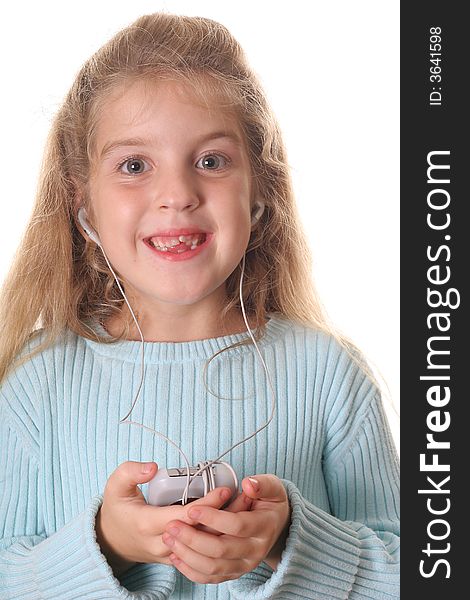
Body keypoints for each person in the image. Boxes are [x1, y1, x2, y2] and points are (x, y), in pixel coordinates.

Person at [0, 12, 399, 599]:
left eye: (211, 161)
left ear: (259, 192)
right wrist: (105, 543)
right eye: (134, 166)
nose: (177, 196)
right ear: (82, 205)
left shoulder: (328, 375)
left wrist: (289, 539)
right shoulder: (37, 382)